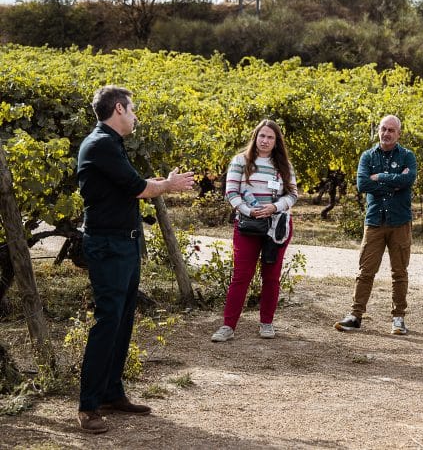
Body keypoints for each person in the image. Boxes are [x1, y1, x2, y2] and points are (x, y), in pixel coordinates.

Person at [76, 86, 194, 434]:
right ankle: (87, 405)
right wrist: (168, 185)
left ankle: (112, 393)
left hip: (123, 245)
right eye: (132, 109)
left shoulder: (111, 144)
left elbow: (132, 184)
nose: (135, 115)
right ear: (118, 109)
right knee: (107, 321)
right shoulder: (99, 145)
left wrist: (163, 183)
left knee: (123, 319)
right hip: (108, 246)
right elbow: (139, 189)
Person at [211, 119, 298, 342]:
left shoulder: (284, 165)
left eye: (270, 137)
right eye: (262, 136)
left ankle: (266, 323)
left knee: (271, 277)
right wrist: (249, 211)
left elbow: (292, 195)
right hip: (248, 226)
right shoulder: (241, 161)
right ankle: (228, 326)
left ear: (277, 141)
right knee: (241, 277)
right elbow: (231, 192)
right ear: (255, 137)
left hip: (276, 227)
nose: (265, 140)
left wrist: (274, 207)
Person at [334, 115, 417, 334]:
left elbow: (408, 181)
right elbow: (362, 184)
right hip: (374, 222)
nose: (386, 133)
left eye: (391, 130)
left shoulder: (408, 156)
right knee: (365, 271)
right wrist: (394, 181)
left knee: (399, 272)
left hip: (400, 221)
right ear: (378, 131)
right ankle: (355, 315)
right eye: (383, 129)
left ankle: (398, 318)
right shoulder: (367, 156)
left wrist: (378, 177)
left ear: (399, 133)